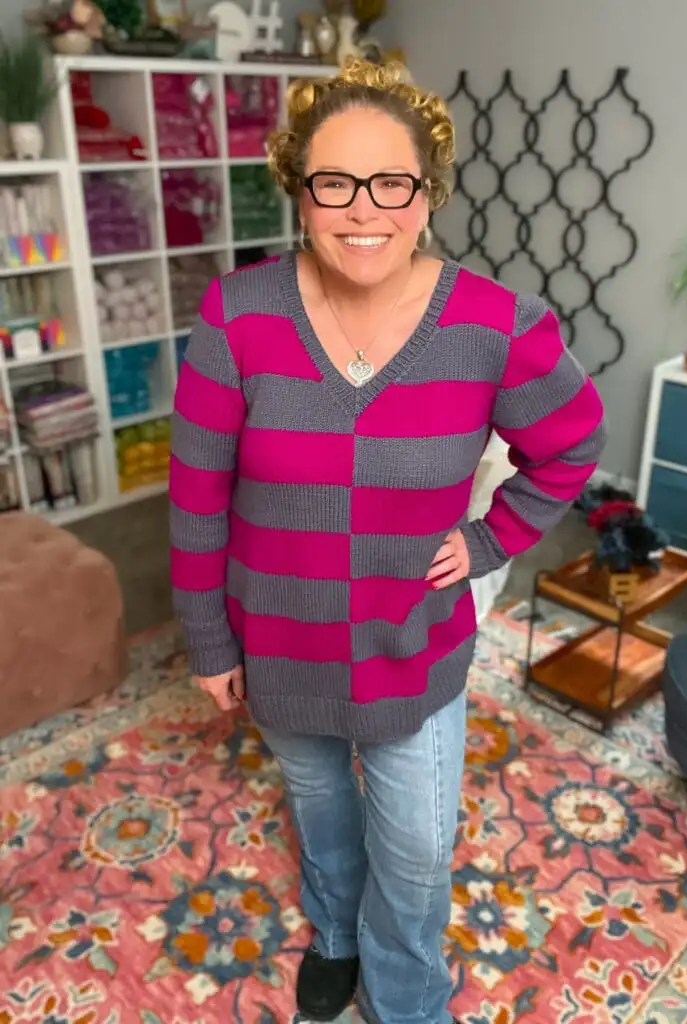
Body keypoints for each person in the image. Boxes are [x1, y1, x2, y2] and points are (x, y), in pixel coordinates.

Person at [169, 59, 606, 1024]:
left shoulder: (497, 327)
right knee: (321, 806)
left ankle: (405, 997)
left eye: (391, 184)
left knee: (413, 845)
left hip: (414, 650)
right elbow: (197, 496)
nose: (362, 210)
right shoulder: (235, 317)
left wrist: (492, 540)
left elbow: (573, 444)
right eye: (334, 183)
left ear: (426, 194)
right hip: (278, 641)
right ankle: (332, 933)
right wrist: (209, 641)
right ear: (301, 189)